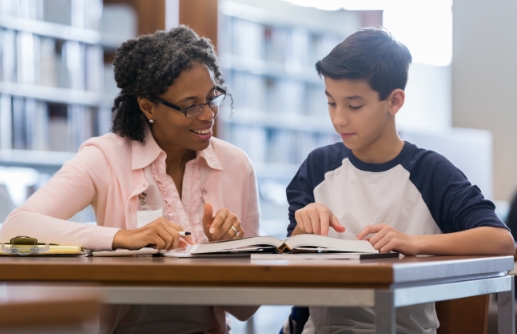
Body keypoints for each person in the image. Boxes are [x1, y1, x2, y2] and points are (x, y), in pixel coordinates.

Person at [0, 26, 260, 333]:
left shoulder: (236, 165)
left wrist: (226, 254)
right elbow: (15, 228)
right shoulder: (106, 157)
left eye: (212, 98)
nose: (208, 116)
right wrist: (119, 238)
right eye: (191, 106)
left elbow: (246, 308)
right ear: (147, 105)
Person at [285, 27, 515, 334]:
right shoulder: (318, 166)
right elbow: (287, 263)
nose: (339, 118)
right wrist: (304, 227)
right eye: (331, 102)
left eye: (354, 105)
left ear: (394, 101)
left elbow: (502, 242)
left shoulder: (429, 171)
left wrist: (413, 243)